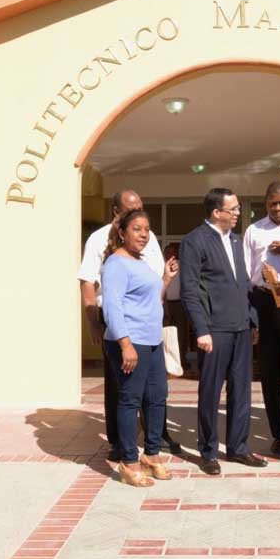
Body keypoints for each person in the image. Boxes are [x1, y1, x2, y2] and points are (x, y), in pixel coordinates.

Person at [78, 190, 182, 458]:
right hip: (121, 324)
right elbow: (90, 284)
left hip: (149, 325)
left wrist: (167, 286)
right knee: (123, 392)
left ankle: (154, 442)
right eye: (133, 220)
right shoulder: (102, 244)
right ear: (117, 216)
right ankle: (122, 448)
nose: (143, 231)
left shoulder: (146, 243)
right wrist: (94, 324)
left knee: (155, 393)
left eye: (145, 223)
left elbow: (154, 279)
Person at [179, 188, 267, 475]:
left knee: (241, 390)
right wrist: (201, 329)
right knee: (210, 392)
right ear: (217, 212)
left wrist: (252, 320)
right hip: (214, 330)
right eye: (234, 208)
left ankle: (238, 448)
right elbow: (189, 290)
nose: (239, 213)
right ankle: (208, 451)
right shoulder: (194, 241)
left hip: (241, 328)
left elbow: (243, 283)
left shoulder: (237, 240)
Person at [100, 209, 179, 487]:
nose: (143, 234)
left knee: (157, 397)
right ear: (121, 232)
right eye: (137, 229)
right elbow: (112, 306)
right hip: (130, 342)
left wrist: (166, 280)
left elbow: (149, 300)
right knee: (130, 400)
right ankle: (130, 462)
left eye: (146, 229)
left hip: (152, 340)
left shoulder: (140, 262)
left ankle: (152, 455)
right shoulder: (116, 264)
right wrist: (125, 344)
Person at [243, 181, 280, 457]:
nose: (277, 208)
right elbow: (245, 272)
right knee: (269, 373)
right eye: (272, 203)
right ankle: (279, 433)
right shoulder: (254, 230)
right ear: (265, 203)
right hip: (264, 302)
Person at [163, 242, 195, 378]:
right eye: (167, 252)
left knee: (181, 335)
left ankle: (181, 360)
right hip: (165, 304)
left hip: (180, 304)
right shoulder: (161, 266)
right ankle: (166, 362)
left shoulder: (183, 265)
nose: (169, 254)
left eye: (171, 252)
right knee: (165, 333)